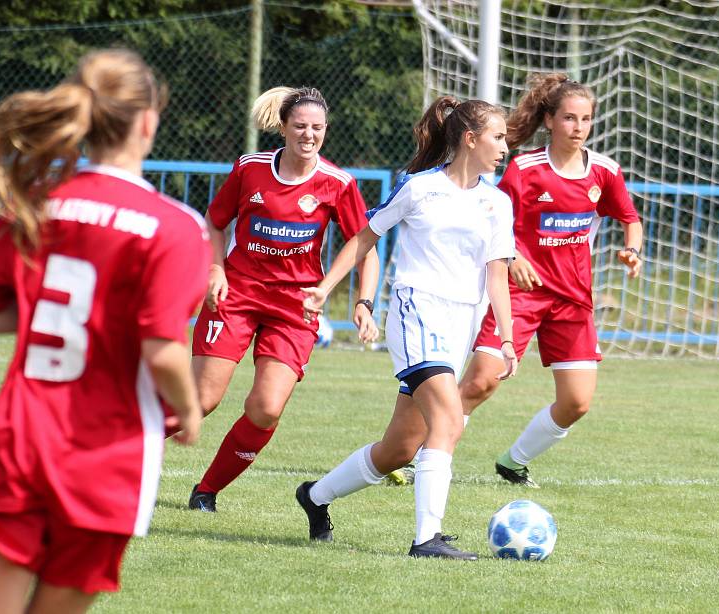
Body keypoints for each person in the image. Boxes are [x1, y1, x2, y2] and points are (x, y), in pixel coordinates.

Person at [0, 49, 211, 614]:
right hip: (106, 458)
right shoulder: (174, 227)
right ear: (148, 121)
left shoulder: (38, 202)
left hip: (16, 439)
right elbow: (162, 348)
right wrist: (189, 410)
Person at [297, 97, 518, 560]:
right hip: (416, 310)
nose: (505, 145)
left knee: (399, 448)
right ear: (470, 139)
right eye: (498, 136)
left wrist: (507, 337)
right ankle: (426, 540)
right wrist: (325, 289)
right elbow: (364, 237)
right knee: (449, 419)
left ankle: (315, 497)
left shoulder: (497, 202)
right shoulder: (418, 188)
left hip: (461, 323)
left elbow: (498, 272)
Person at [188, 86, 380, 512]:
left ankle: (206, 492)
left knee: (266, 408)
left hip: (296, 307)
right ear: (283, 127)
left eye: (317, 128)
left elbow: (365, 246)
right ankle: (109, 455)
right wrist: (215, 269)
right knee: (202, 400)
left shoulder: (338, 183)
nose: (308, 135)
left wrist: (363, 303)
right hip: (236, 295)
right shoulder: (250, 168)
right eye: (300, 127)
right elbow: (215, 223)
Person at [459, 73, 643, 488]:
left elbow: (630, 218)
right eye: (569, 119)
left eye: (586, 119)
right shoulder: (525, 169)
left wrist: (633, 251)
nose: (578, 128)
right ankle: (418, 453)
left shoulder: (605, 173)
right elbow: (491, 221)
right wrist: (515, 255)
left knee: (577, 402)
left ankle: (514, 461)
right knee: (480, 382)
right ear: (549, 121)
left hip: (573, 301)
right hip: (519, 294)